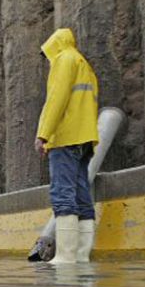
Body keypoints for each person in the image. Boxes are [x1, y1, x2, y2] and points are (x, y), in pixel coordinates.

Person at [34, 28, 99, 264]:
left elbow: (56, 99)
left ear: (53, 45)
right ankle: (81, 255)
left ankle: (65, 256)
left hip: (66, 137)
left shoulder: (63, 60)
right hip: (85, 137)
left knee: (62, 194)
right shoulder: (84, 63)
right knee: (82, 196)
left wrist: (43, 134)